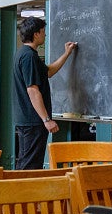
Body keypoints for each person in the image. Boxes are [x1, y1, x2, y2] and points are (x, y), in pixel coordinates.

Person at [13, 17, 77, 170]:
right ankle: (24, 193)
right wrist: (46, 119)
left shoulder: (24, 54)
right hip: (33, 121)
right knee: (30, 166)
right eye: (43, 32)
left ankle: (21, 192)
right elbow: (33, 90)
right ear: (36, 34)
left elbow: (48, 72)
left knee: (26, 162)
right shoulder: (29, 57)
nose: (45, 35)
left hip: (28, 120)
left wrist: (67, 53)